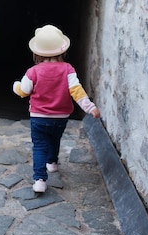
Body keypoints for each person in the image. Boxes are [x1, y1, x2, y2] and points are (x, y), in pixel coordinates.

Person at [13, 24, 100, 193]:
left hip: (38, 117)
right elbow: (77, 91)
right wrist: (90, 108)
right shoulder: (68, 70)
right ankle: (52, 162)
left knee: (39, 146)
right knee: (54, 139)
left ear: (37, 53)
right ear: (63, 51)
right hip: (61, 117)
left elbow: (23, 91)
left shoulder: (33, 72)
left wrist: (16, 85)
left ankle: (39, 180)